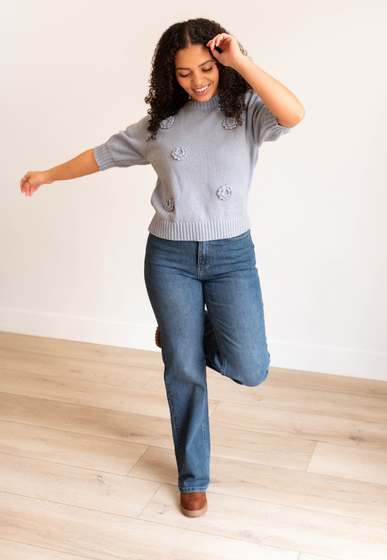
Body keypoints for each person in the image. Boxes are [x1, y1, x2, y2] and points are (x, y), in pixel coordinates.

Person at [20, 18, 305, 518]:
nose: (197, 81)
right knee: (184, 368)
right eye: (183, 73)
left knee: (251, 366)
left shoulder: (247, 112)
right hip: (169, 258)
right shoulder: (159, 127)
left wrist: (240, 60)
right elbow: (100, 155)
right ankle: (193, 476)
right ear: (167, 76)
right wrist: (47, 175)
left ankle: (181, 334)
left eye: (206, 68)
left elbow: (295, 113)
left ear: (221, 62)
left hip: (232, 255)